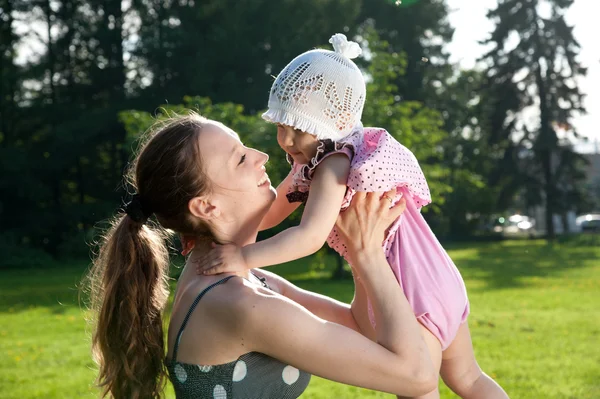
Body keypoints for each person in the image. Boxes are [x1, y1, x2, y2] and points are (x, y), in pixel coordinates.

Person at [195, 34, 509, 399]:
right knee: (469, 379)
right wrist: (219, 231)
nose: (287, 139)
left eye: (299, 128)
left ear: (335, 123)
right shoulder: (314, 162)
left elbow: (309, 237)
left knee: (416, 387)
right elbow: (270, 211)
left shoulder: (333, 164)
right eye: (282, 125)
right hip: (436, 276)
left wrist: (242, 257)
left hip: (410, 292)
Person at [86, 113, 439, 399]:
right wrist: (368, 256)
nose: (262, 156)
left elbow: (365, 330)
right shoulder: (238, 302)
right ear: (207, 206)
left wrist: (362, 245)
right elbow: (417, 377)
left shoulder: (244, 278)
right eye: (240, 157)